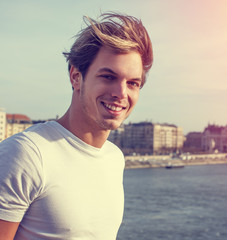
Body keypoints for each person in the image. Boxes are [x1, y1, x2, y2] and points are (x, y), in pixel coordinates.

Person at [0, 12, 153, 239]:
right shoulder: (26, 154)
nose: (121, 93)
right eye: (108, 77)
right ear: (76, 77)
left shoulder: (114, 158)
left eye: (132, 83)